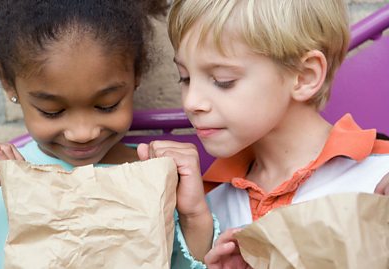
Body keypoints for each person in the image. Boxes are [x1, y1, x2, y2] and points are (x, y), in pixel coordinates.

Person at [0, 1, 211, 268]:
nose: (82, 133)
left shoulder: (156, 179)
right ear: (8, 82)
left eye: (107, 105)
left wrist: (193, 216)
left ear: (137, 72)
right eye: (52, 111)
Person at [138, 0, 389, 267]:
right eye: (185, 78)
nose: (191, 102)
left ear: (305, 76)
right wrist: (196, 223)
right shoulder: (208, 201)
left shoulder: (378, 179)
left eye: (223, 81)